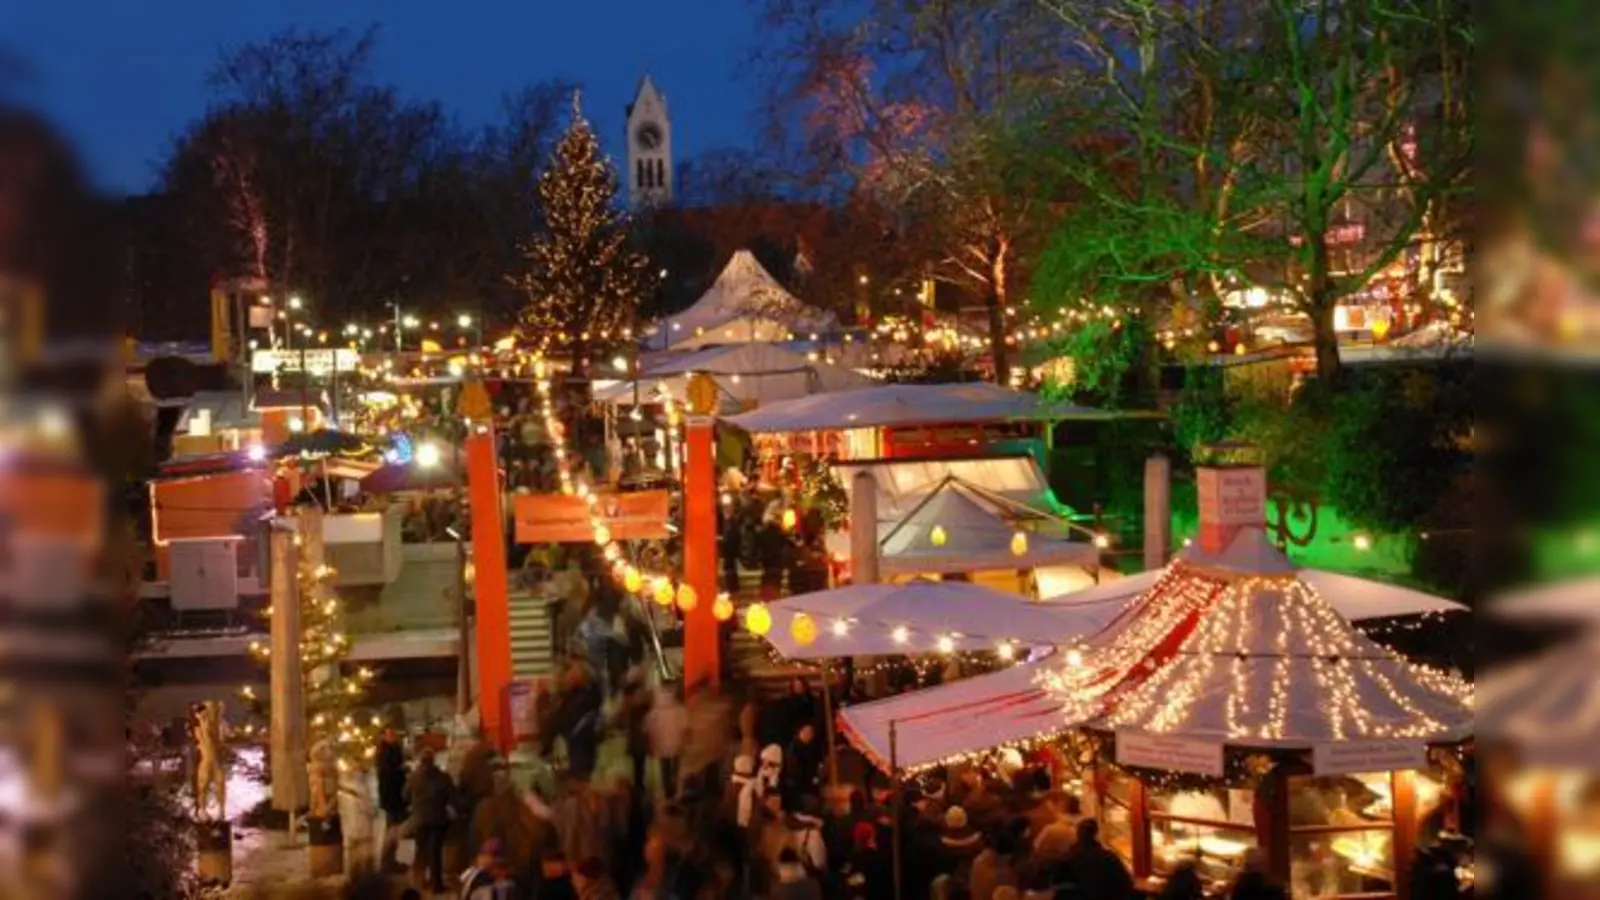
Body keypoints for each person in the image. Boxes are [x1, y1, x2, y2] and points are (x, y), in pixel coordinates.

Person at [403, 746, 455, 895]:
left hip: (419, 819)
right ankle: (437, 885)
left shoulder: (414, 777)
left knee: (421, 850)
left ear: (421, 761)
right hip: (438, 819)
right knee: (435, 852)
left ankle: (419, 882)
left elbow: (404, 795)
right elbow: (453, 796)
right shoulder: (443, 777)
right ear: (433, 761)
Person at [1060, 818, 1134, 900]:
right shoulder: (1108, 858)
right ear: (1096, 835)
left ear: (1078, 835)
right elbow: (1126, 884)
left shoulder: (1068, 857)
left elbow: (1061, 887)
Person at [375, 727, 409, 873]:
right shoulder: (387, 752)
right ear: (384, 736)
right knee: (392, 830)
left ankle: (390, 860)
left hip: (393, 797)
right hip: (392, 798)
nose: (394, 736)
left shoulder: (389, 751)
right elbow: (390, 774)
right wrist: (402, 770)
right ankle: (387, 861)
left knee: (393, 829)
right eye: (391, 734)